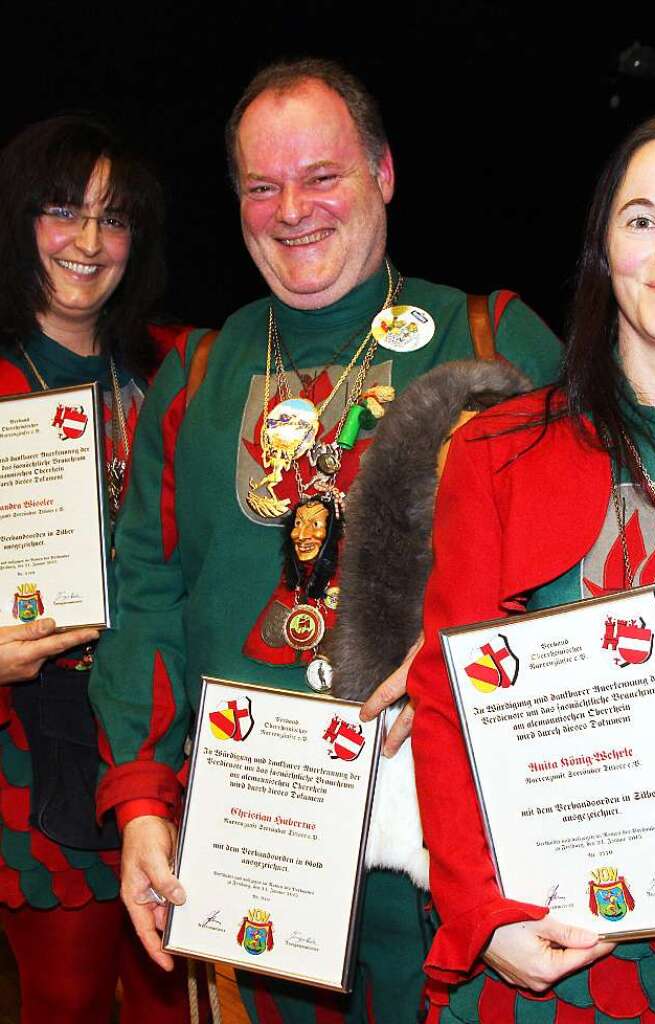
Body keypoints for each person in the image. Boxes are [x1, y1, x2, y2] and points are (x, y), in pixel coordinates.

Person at [88, 57, 562, 1024]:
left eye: (322, 176)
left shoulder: (492, 340)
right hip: (263, 846)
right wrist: (141, 799)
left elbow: (582, 581)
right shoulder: (200, 373)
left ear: (383, 174)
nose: (291, 209)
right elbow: (145, 593)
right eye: (262, 187)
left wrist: (459, 660)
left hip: (454, 855)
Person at [408, 108, 655, 1022]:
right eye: (642, 219)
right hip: (557, 943)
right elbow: (445, 696)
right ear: (603, 250)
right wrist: (481, 913)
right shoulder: (495, 453)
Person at [0, 115, 190, 1023]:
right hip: (29, 738)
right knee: (68, 998)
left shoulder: (172, 368)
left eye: (113, 219)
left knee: (167, 996)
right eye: (62, 210)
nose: (87, 241)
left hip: (161, 731)